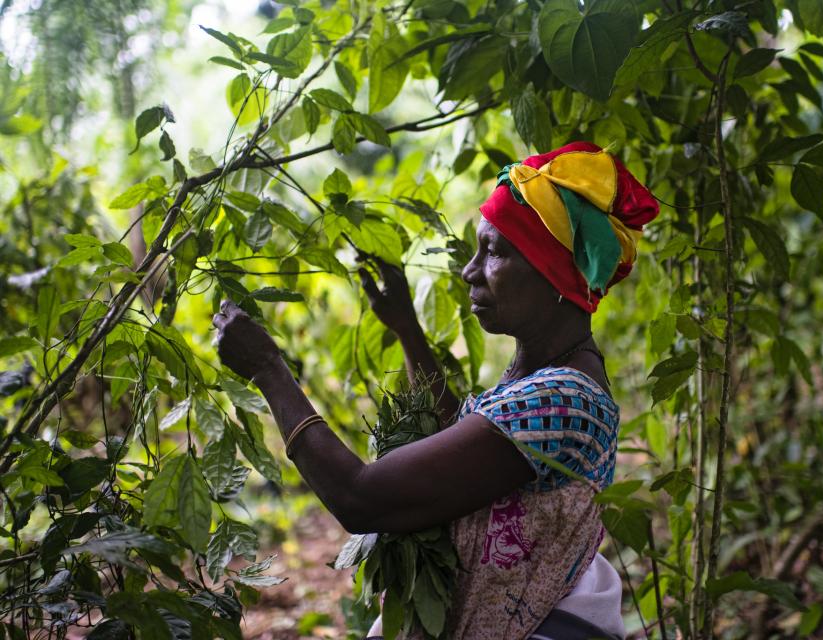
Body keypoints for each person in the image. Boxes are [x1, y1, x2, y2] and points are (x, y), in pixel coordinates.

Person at [212, 141, 659, 639]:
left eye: (495, 252)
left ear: (555, 276)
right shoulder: (546, 377)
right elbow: (465, 446)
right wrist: (406, 326)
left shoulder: (564, 401)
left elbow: (362, 499)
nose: (470, 271)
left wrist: (270, 372)